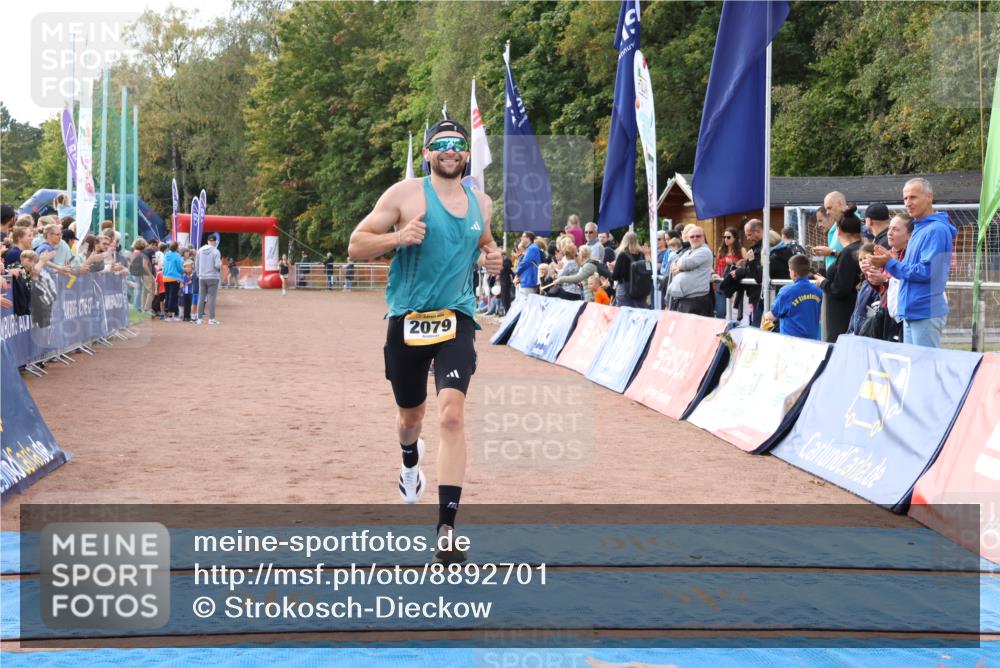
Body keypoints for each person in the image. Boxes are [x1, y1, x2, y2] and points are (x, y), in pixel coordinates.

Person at [347, 119, 502, 565]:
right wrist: (399, 237)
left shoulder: (482, 203)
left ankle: (447, 528)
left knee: (452, 416)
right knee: (410, 417)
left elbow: (485, 243)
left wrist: (493, 259)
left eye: (457, 145)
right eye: (441, 145)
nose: (450, 151)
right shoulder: (404, 195)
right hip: (408, 319)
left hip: (457, 317)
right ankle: (409, 459)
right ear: (428, 154)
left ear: (466, 156)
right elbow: (357, 244)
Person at [867, 178, 955, 348]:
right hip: (912, 312)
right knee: (914, 368)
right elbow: (908, 269)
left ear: (929, 197)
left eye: (913, 197)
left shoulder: (936, 230)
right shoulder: (920, 227)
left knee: (925, 368)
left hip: (925, 312)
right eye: (905, 198)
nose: (908, 202)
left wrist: (890, 263)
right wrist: (885, 262)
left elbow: (925, 271)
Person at [813, 210, 864, 342]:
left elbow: (841, 288)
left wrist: (823, 282)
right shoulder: (859, 248)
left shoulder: (848, 253)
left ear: (839, 232)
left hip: (842, 313)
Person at [764, 254, 823, 340]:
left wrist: (764, 317)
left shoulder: (787, 291)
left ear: (793, 272)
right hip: (812, 341)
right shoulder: (818, 291)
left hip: (791, 343)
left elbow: (773, 315)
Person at [668, 226, 714, 316]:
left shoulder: (704, 251)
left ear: (704, 237)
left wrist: (680, 265)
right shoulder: (689, 251)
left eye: (698, 236)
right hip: (686, 300)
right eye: (692, 237)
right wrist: (680, 265)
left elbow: (685, 263)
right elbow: (673, 266)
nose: (695, 238)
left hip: (697, 300)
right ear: (688, 239)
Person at [731, 219, 765, 325]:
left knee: (759, 327)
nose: (748, 238)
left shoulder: (765, 249)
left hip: (762, 296)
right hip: (756, 295)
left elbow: (759, 276)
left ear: (758, 231)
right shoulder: (756, 248)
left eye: (749, 235)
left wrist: (751, 261)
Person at [611, 231, 647, 308]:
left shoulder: (622, 255)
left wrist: (611, 269)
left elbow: (615, 276)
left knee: (624, 314)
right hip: (639, 288)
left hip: (624, 288)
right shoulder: (641, 255)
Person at [813, 191, 848, 271]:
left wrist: (831, 252)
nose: (828, 212)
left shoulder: (850, 223)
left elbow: (854, 256)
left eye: (829, 208)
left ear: (839, 203)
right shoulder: (838, 226)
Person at [714, 227, 742, 318]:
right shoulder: (721, 249)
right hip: (720, 281)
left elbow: (744, 267)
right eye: (724, 237)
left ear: (735, 238)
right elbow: (716, 265)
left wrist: (732, 263)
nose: (726, 239)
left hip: (733, 283)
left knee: (733, 313)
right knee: (720, 312)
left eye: (728, 237)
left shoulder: (741, 250)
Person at [195, 235, 222, 324]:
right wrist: (219, 269)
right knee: (211, 298)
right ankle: (211, 319)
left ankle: (199, 319)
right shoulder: (216, 251)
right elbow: (217, 265)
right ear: (215, 241)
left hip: (202, 277)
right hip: (213, 277)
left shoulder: (200, 250)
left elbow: (196, 264)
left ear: (207, 241)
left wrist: (199, 274)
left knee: (201, 297)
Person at [162, 242, 184, 321]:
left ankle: (167, 314)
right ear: (177, 247)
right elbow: (179, 268)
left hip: (165, 277)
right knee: (173, 296)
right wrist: (183, 271)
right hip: (174, 277)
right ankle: (171, 315)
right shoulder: (177, 256)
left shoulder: (166, 255)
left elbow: (164, 266)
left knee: (167, 295)